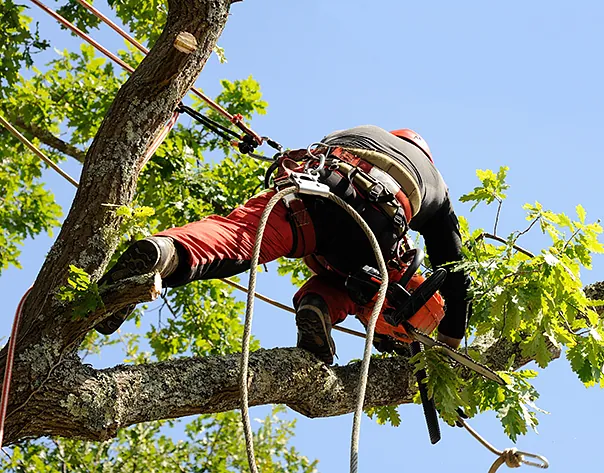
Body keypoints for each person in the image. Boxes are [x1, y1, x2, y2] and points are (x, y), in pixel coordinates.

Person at [95, 125, 470, 365]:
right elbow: (456, 272)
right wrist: (451, 343)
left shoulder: (361, 131)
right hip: (377, 224)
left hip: (315, 191)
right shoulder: (436, 183)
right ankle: (321, 306)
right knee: (382, 280)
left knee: (239, 235)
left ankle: (164, 253)